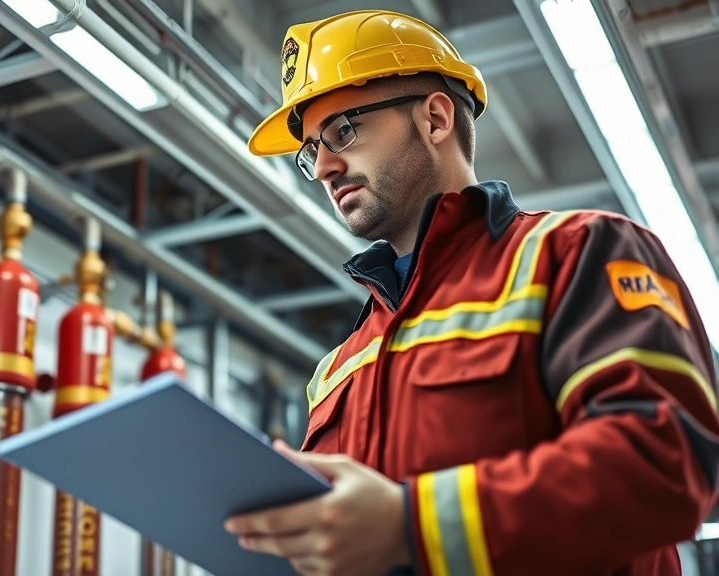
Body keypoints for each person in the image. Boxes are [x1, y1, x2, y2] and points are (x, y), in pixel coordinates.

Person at [222, 9, 719, 576]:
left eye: (343, 131)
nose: (326, 167)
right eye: (312, 151)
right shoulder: (339, 365)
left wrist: (411, 526)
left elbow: (662, 464)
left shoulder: (575, 253)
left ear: (435, 118)